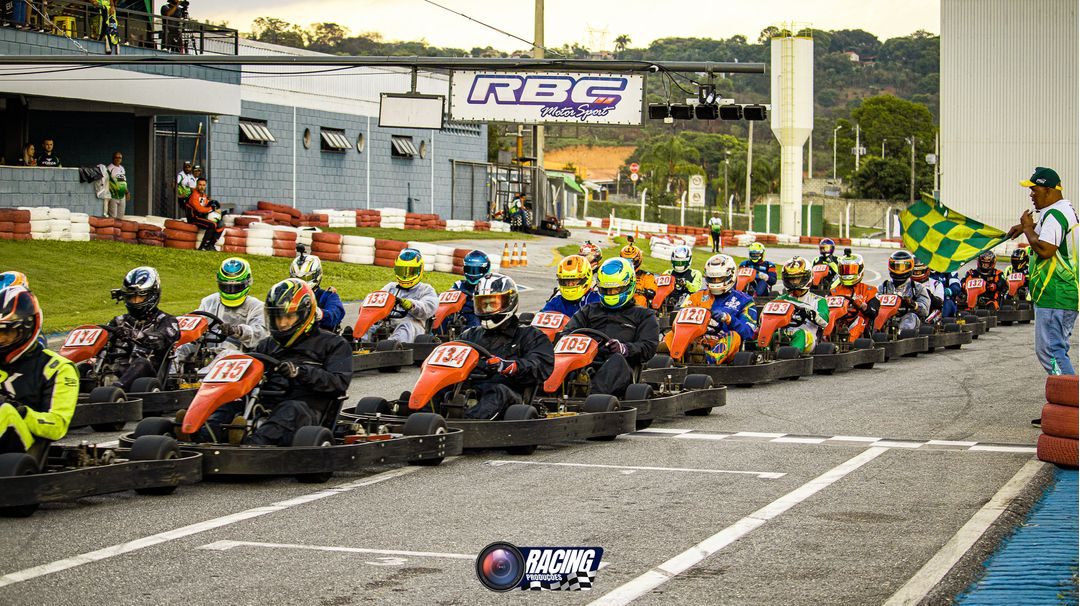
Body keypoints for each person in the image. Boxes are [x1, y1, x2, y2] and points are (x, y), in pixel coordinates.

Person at [197, 279, 351, 446]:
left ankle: (252, 445)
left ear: (305, 314)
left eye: (288, 317)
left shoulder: (334, 344)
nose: (282, 324)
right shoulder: (267, 344)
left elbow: (338, 383)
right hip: (263, 403)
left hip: (307, 408)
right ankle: (201, 437)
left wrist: (300, 372)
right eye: (278, 318)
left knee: (289, 411)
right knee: (229, 406)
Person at [1007, 166, 1078, 377]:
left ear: (1048, 190)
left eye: (1034, 189)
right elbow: (1052, 228)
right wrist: (1028, 227)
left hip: (1055, 294)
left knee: (1051, 351)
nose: (1031, 194)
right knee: (1055, 349)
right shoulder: (1063, 211)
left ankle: (1071, 399)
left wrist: (1028, 228)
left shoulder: (1055, 215)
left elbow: (1046, 250)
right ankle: (1070, 398)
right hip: (1061, 294)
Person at [457, 275, 554, 419]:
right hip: (470, 388)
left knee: (498, 391)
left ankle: (467, 424)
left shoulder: (529, 335)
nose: (487, 309)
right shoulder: (470, 335)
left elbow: (540, 365)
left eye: (492, 304)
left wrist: (510, 366)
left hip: (512, 396)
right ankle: (419, 417)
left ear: (509, 302)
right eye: (483, 304)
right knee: (442, 391)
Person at [562, 258, 659, 397]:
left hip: (621, 367)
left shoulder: (644, 315)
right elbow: (567, 333)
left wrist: (625, 348)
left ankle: (591, 396)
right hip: (585, 362)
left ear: (629, 285)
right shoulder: (589, 310)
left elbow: (648, 346)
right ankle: (545, 391)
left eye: (616, 289)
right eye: (606, 290)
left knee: (617, 360)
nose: (611, 293)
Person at [0, 286, 79, 455]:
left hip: (27, 453)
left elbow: (57, 426)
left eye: (6, 332)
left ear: (27, 328)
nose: (1, 339)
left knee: (4, 411)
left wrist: (18, 410)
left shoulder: (57, 368)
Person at [174, 258, 267, 371]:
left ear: (248, 282)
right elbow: (195, 321)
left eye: (236, 287)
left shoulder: (256, 306)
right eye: (226, 287)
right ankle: (165, 378)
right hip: (206, 350)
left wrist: (237, 330)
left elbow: (260, 334)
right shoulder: (209, 302)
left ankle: (202, 382)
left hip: (237, 356)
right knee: (179, 348)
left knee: (226, 354)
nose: (230, 291)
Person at [105, 267, 179, 391]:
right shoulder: (118, 321)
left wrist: (132, 334)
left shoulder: (167, 321)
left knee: (141, 363)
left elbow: (159, 340)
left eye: (140, 297)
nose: (135, 301)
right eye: (131, 297)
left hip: (148, 378)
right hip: (117, 370)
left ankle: (114, 390)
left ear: (152, 295)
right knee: (85, 367)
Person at [682, 254, 758, 364]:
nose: (716, 281)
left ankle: (706, 360)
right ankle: (666, 355)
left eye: (720, 278)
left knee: (734, 336)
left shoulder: (744, 300)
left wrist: (728, 319)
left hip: (723, 342)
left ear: (730, 275)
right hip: (697, 341)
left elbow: (749, 333)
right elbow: (682, 316)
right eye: (712, 278)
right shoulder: (697, 296)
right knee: (671, 333)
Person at [370, 248, 438, 343]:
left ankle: (391, 348)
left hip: (415, 327)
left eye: (410, 271)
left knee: (405, 326)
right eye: (402, 271)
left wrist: (412, 305)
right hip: (388, 324)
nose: (405, 276)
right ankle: (358, 343)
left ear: (420, 270)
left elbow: (428, 308)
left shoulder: (426, 289)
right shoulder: (390, 287)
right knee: (371, 325)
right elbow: (376, 301)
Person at [772, 257, 830, 353]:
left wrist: (809, 312)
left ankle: (791, 356)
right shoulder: (781, 299)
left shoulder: (818, 300)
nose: (794, 282)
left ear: (806, 278)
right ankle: (760, 355)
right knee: (772, 336)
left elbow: (824, 321)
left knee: (800, 334)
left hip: (808, 337)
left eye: (797, 279)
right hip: (784, 334)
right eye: (791, 279)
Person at [829, 252, 880, 340]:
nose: (847, 274)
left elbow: (874, 313)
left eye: (851, 270)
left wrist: (862, 306)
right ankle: (823, 339)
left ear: (860, 270)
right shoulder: (834, 291)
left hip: (862, 329)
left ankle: (848, 342)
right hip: (838, 323)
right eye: (844, 270)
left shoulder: (869, 290)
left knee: (860, 320)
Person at [290, 251, 345, 333]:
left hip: (318, 340)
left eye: (306, 278)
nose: (302, 282)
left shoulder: (327, 296)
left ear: (316, 275)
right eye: (297, 278)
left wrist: (318, 313)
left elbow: (335, 314)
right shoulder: (287, 295)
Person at [878, 250, 930, 332]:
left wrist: (913, 304)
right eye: (896, 267)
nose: (899, 270)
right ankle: (873, 334)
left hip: (907, 318)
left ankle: (901, 334)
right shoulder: (883, 287)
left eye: (903, 267)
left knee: (911, 317)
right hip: (887, 318)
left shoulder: (917, 288)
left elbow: (925, 310)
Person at [444, 250, 492, 330]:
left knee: (474, 323)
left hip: (477, 317)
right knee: (444, 319)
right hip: (458, 315)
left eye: (476, 270)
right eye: (470, 270)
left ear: (486, 269)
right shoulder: (459, 285)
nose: (473, 274)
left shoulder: (489, 287)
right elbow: (447, 302)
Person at [185, 177, 223, 251]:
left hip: (202, 217)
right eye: (200, 185)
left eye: (203, 185)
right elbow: (200, 209)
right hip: (194, 218)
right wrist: (213, 209)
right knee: (212, 225)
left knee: (221, 225)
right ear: (197, 185)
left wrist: (215, 207)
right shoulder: (194, 195)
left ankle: (211, 245)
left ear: (205, 186)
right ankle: (202, 247)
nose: (202, 187)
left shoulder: (204, 195)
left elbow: (206, 205)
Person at [620, 241, 657, 308]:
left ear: (637, 260)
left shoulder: (647, 276)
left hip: (638, 310)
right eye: (625, 261)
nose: (628, 264)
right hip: (619, 304)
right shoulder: (617, 274)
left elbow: (652, 293)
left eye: (631, 261)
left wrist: (642, 291)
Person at [106, 151, 129, 219]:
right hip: (113, 195)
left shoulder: (122, 168)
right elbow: (106, 182)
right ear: (113, 158)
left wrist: (127, 192)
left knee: (120, 217)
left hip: (122, 195)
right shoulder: (109, 168)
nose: (118, 159)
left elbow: (122, 181)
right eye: (116, 157)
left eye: (120, 158)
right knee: (113, 217)